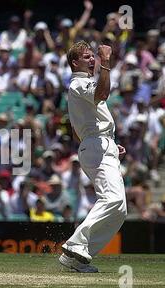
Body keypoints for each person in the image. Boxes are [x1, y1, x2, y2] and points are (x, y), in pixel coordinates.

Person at [59, 41, 127, 273]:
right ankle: (75, 245)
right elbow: (102, 93)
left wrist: (111, 144)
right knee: (112, 200)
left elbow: (97, 115)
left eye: (93, 56)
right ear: (74, 62)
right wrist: (106, 63)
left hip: (103, 144)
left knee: (119, 209)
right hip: (96, 146)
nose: (92, 60)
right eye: (86, 57)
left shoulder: (86, 82)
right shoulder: (79, 83)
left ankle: (77, 258)